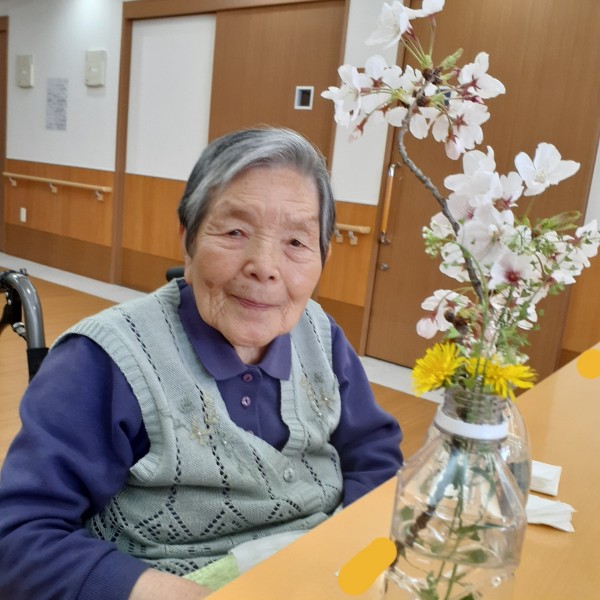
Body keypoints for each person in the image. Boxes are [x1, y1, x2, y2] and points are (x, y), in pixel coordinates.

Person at [0, 127, 403, 599]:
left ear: (322, 257)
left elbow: (375, 457)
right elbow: (20, 538)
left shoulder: (319, 333)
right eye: (235, 232)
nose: (264, 266)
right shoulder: (104, 360)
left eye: (296, 242)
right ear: (187, 241)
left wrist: (354, 567)